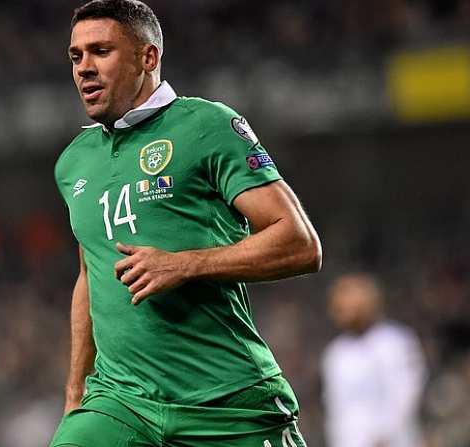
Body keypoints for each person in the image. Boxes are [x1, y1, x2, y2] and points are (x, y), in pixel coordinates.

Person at [51, 1, 322, 445]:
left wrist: (185, 264)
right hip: (121, 404)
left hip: (226, 400)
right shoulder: (73, 163)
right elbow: (90, 273)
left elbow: (300, 244)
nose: (84, 68)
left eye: (101, 51)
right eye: (76, 56)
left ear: (148, 57)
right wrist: (76, 390)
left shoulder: (206, 126)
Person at [322, 273, 426, 447]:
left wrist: (385, 435)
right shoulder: (335, 354)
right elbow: (335, 410)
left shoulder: (395, 342)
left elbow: (406, 395)